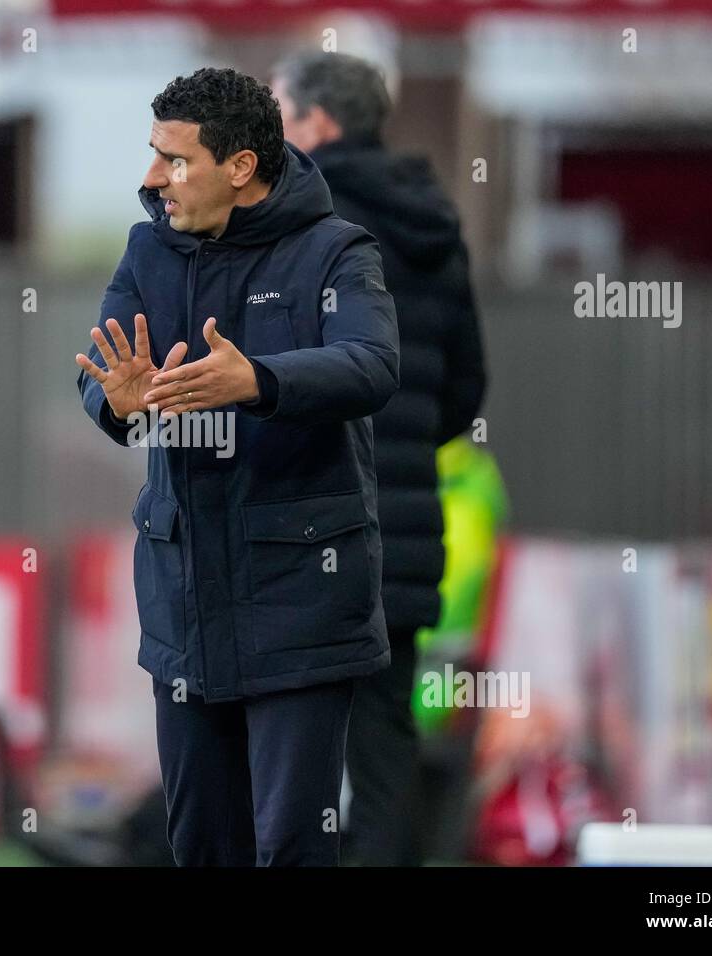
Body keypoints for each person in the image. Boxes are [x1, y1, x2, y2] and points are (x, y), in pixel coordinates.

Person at [74, 67, 399, 866]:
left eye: (176, 161)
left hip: (303, 605)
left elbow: (371, 364)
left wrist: (259, 380)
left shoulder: (337, 252)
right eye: (155, 155)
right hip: (184, 609)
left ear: (242, 168)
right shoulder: (146, 248)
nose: (154, 179)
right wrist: (117, 400)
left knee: (291, 847)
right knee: (202, 849)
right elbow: (98, 373)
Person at [272, 52, 488, 865]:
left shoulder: (297, 223)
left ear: (319, 125)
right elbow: (466, 387)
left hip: (305, 532)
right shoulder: (434, 220)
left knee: (285, 754)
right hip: (402, 537)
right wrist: (393, 453)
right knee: (385, 756)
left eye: (279, 115)